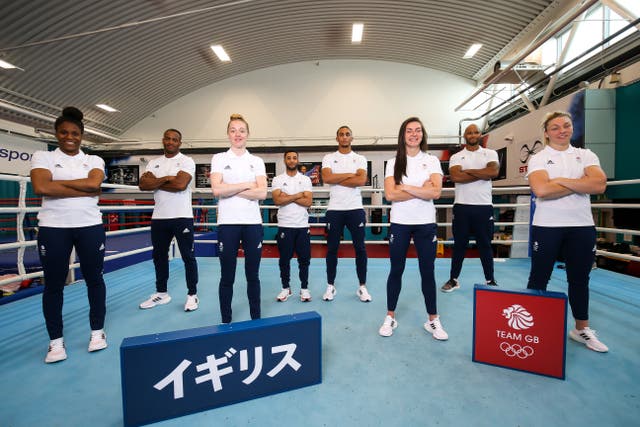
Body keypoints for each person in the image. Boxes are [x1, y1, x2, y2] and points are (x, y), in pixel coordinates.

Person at [30, 107, 107, 363]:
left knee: (94, 279)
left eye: (74, 133)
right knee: (53, 285)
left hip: (89, 226)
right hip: (53, 227)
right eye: (64, 132)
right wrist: (82, 189)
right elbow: (41, 186)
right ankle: (55, 342)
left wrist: (58, 186)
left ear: (82, 135)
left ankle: (97, 332)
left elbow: (94, 184)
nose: (69, 137)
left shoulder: (94, 161)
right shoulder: (43, 156)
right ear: (57, 133)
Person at [526, 111, 608, 353]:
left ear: (572, 128)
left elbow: (599, 184)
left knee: (580, 279)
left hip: (581, 225)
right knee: (539, 277)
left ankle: (581, 329)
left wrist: (560, 181)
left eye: (566, 125)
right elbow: (541, 189)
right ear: (546, 132)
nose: (562, 130)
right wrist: (579, 183)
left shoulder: (586, 155)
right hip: (547, 225)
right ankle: (530, 326)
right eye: (555, 127)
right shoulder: (539, 158)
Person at [378, 117, 448, 340]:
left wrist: (405, 187)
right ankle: (390, 316)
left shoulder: (432, 161)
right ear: (403, 135)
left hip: (425, 223)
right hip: (400, 223)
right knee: (396, 269)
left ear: (422, 134)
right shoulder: (393, 162)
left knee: (427, 271)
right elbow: (390, 195)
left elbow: (435, 193)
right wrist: (420, 188)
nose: (414, 134)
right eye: (409, 131)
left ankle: (433, 320)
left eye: (418, 130)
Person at [211, 114, 267, 323]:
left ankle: (256, 319)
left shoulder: (256, 161)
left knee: (252, 275)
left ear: (248, 134)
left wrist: (230, 189)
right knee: (227, 276)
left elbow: (262, 193)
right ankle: (226, 320)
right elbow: (216, 190)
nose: (238, 134)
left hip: (252, 224)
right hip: (228, 224)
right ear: (228, 134)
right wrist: (247, 185)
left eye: (242, 130)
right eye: (233, 130)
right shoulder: (219, 158)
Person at [138, 129, 199, 312]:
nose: (171, 142)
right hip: (159, 218)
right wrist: (166, 178)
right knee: (159, 257)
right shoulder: (154, 163)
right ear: (163, 140)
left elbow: (181, 185)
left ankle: (192, 294)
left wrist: (156, 181)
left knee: (188, 256)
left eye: (175, 139)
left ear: (179, 143)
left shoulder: (187, 161)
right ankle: (162, 293)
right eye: (168, 138)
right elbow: (143, 185)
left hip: (182, 216)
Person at [441, 124, 499, 292]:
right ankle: (453, 279)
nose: (473, 135)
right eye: (469, 132)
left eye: (475, 132)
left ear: (480, 134)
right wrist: (482, 172)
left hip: (483, 207)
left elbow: (493, 172)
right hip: (462, 207)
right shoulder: (457, 156)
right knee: (459, 245)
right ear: (464, 136)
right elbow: (456, 176)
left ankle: (490, 280)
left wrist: (469, 171)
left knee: (485, 245)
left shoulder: (490, 153)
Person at [321, 125, 370, 302]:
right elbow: (326, 178)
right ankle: (330, 286)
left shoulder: (360, 158)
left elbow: (361, 180)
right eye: (341, 134)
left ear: (351, 138)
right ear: (337, 138)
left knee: (360, 248)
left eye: (347, 134)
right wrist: (350, 175)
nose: (344, 137)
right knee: (332, 249)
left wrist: (338, 177)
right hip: (335, 209)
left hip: (355, 208)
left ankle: (362, 287)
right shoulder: (328, 158)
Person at [271, 151, 313, 302]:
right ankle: (285, 288)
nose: (291, 160)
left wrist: (286, 196)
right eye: (288, 158)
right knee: (284, 259)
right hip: (285, 225)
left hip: (302, 225)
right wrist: (298, 195)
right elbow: (277, 200)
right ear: (284, 160)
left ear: (298, 160)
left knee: (304, 259)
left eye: (294, 158)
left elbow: (308, 202)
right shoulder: (277, 179)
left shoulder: (305, 180)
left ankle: (304, 289)